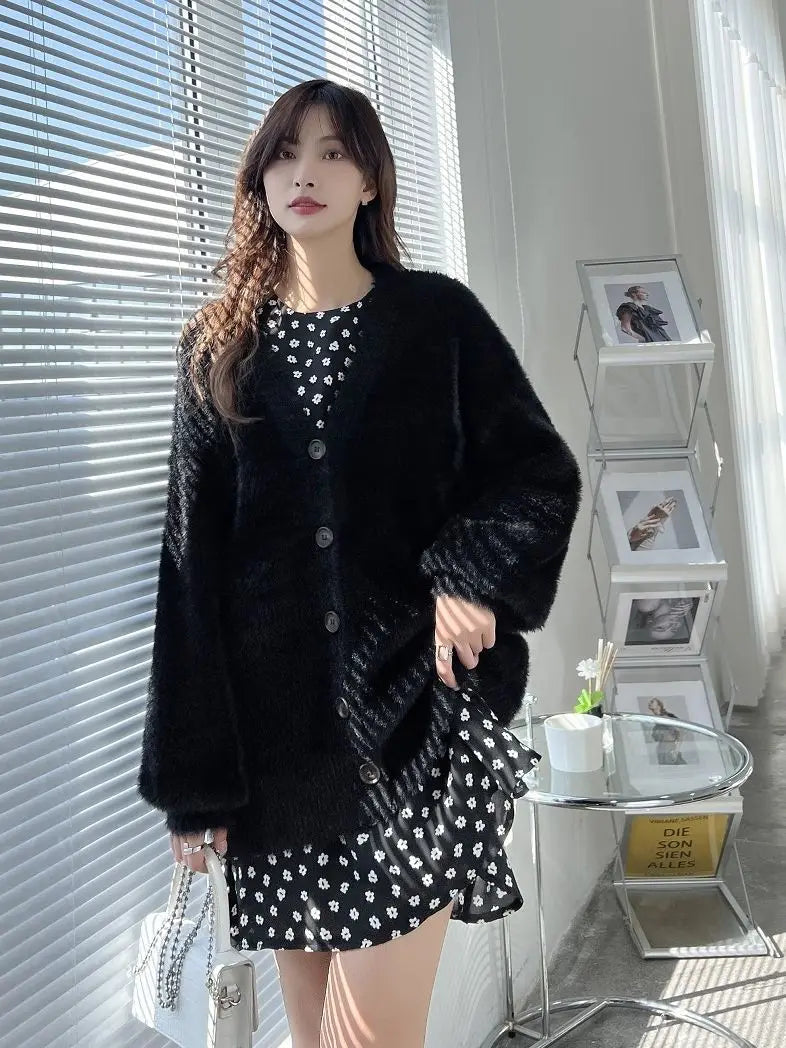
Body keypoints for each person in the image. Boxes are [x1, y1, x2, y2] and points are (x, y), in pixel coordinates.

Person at [136, 78, 582, 1048]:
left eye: (334, 152)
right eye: (286, 152)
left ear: (371, 180)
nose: (307, 171)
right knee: (315, 1038)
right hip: (277, 758)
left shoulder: (436, 321)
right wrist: (194, 781)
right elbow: (190, 572)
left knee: (368, 1039)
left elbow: (537, 472)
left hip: (414, 727)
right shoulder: (217, 348)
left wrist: (470, 576)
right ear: (260, 178)